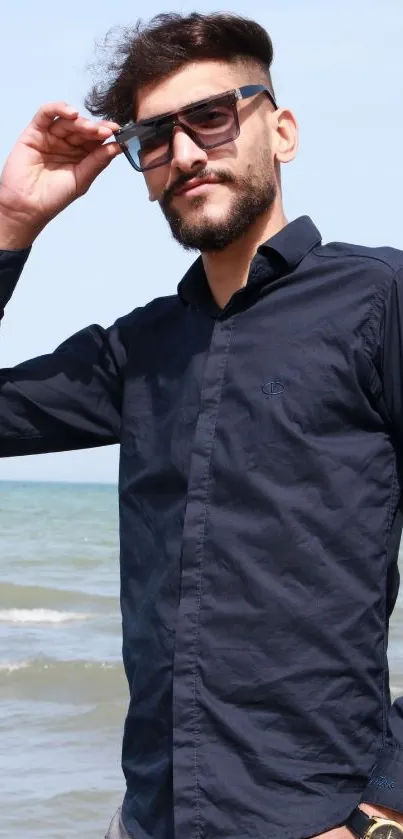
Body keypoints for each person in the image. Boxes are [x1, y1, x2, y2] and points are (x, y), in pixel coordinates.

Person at [0, 10, 403, 839]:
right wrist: (12, 222)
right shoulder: (138, 349)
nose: (184, 154)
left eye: (211, 117)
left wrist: (383, 809)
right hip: (150, 816)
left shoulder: (378, 301)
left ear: (280, 130)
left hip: (320, 817)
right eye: (154, 137)